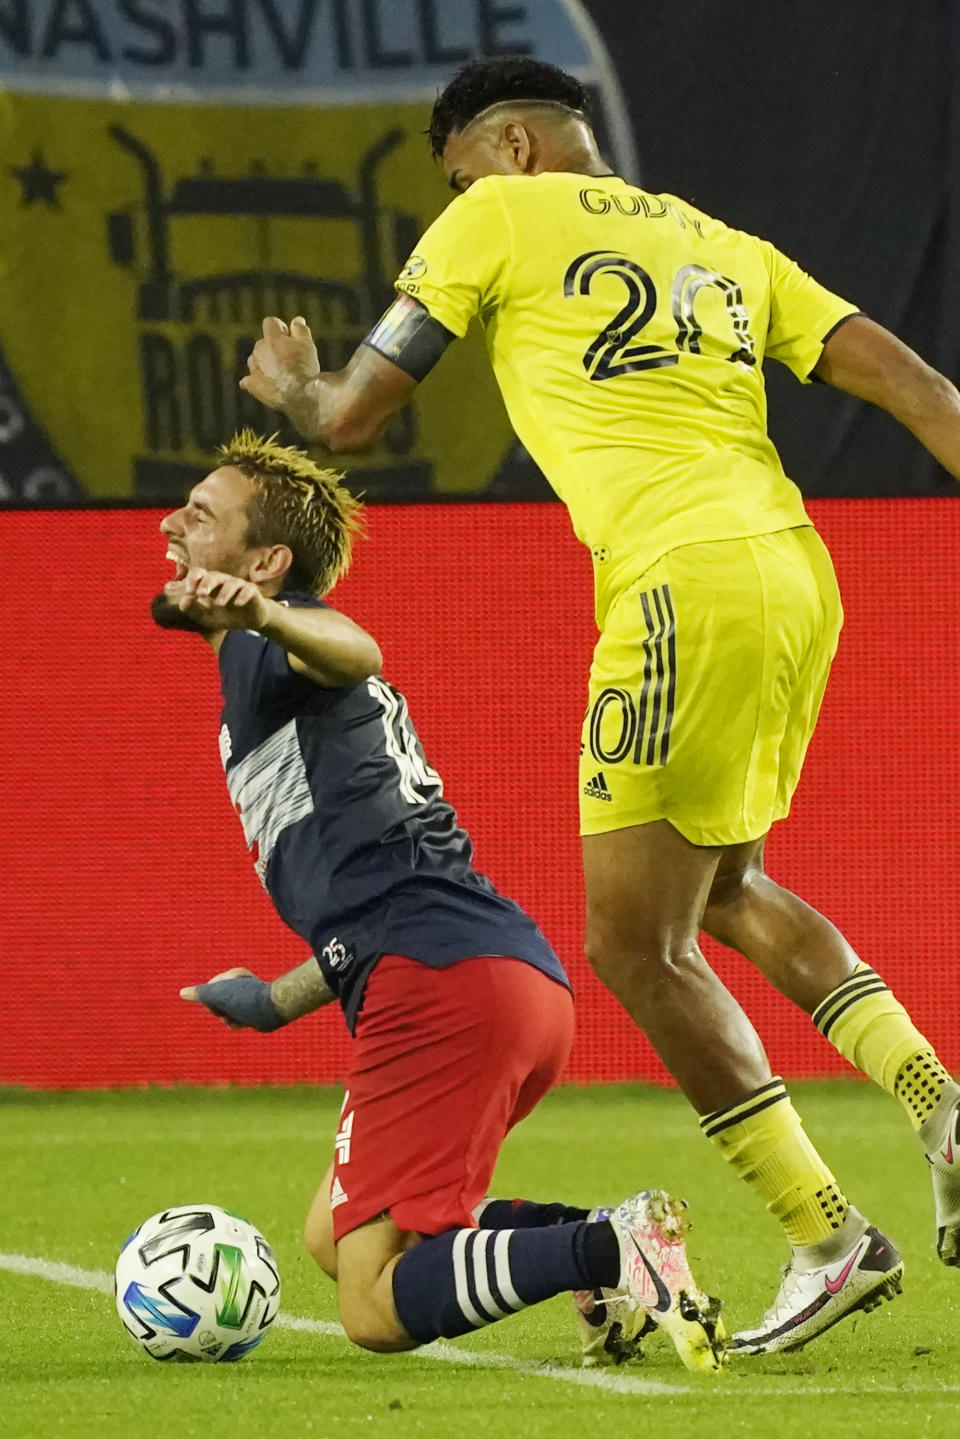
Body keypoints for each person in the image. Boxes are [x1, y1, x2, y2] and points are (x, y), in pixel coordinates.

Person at [236, 55, 960, 1357]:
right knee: (727, 887)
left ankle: (828, 1232)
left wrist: (289, 388)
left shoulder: (495, 218)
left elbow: (350, 415)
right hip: (795, 571)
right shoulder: (725, 244)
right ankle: (933, 1094)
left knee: (635, 941)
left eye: (456, 173)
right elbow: (923, 393)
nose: (455, 196)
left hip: (677, 582)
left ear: (504, 146)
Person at [155, 428, 726, 1375]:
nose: (172, 523)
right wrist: (270, 1001)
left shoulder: (280, 647)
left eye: (202, 515)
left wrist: (269, 614)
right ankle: (595, 1254)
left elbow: (359, 646)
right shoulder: (267, 675)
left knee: (372, 1307)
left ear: (264, 562)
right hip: (495, 978)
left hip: (445, 989)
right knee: (334, 1238)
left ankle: (611, 1249)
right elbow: (372, 908)